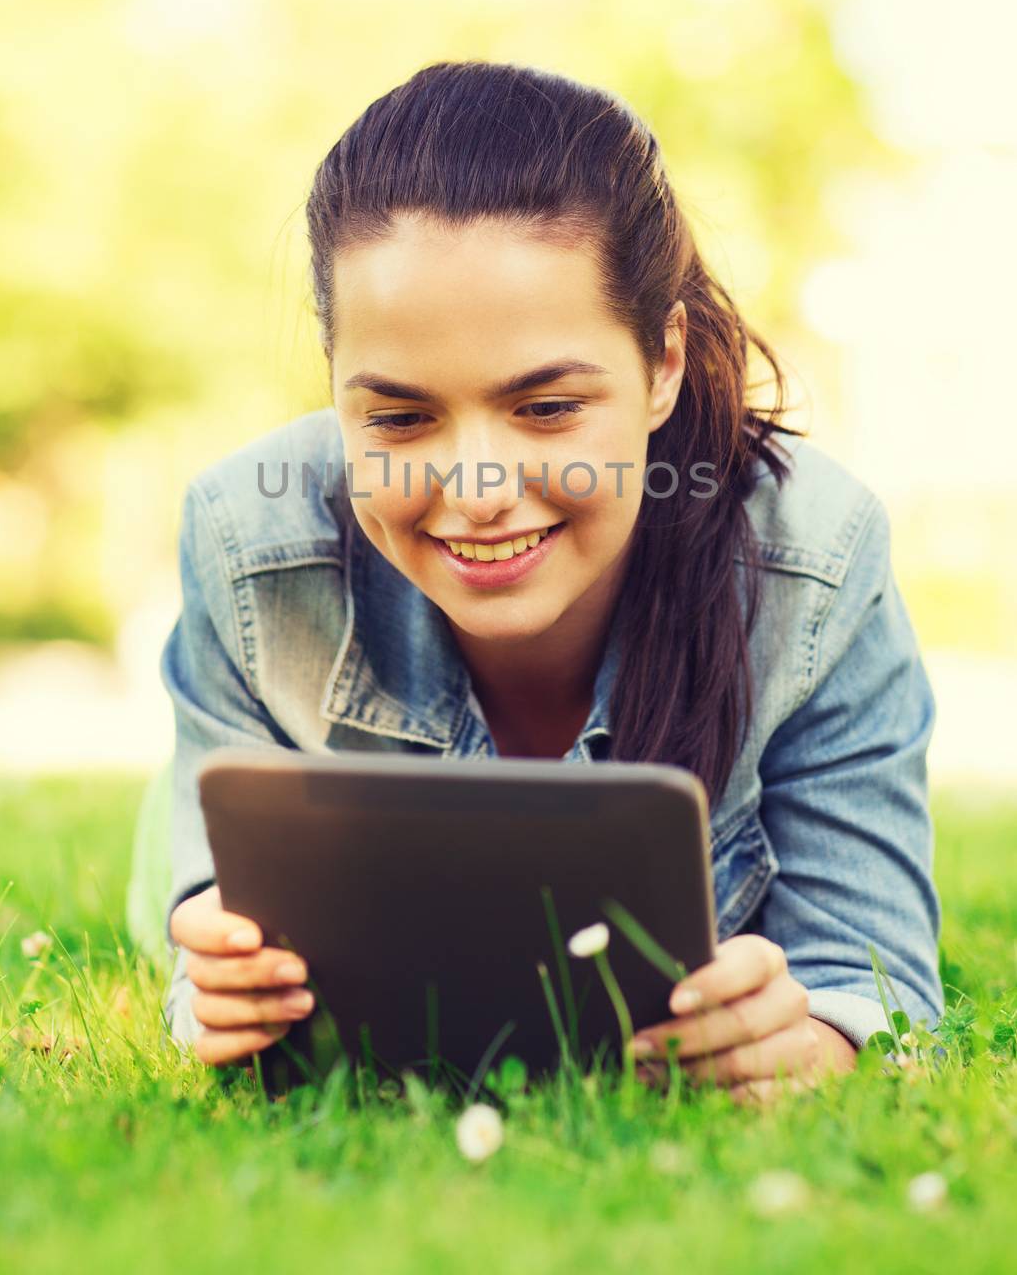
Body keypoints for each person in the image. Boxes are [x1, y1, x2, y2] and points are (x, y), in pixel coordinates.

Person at [153, 60, 942, 1102]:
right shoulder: (248, 540)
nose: (476, 490)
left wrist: (803, 1044)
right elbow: (207, 931)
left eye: (545, 408)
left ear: (660, 364)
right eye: (395, 418)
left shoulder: (813, 557)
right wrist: (211, 985)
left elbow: (870, 983)